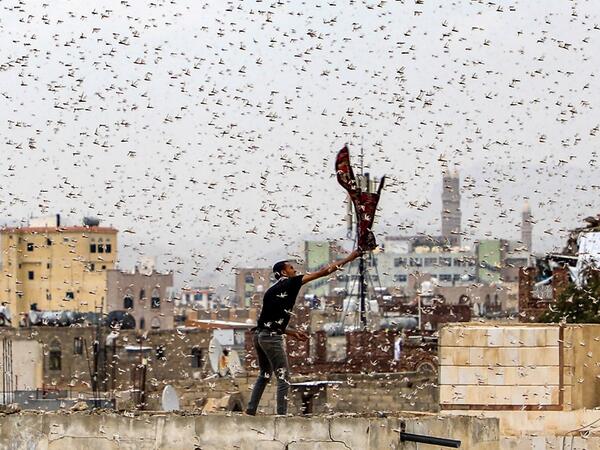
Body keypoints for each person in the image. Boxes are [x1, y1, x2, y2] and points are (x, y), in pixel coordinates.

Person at [245, 249, 361, 416]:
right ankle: (281, 416)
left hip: (259, 335)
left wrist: (291, 333)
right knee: (283, 378)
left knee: (264, 374)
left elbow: (269, 320)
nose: (295, 270)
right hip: (271, 337)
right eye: (291, 268)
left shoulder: (270, 291)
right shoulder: (291, 283)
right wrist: (351, 257)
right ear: (284, 272)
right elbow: (324, 272)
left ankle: (251, 410)